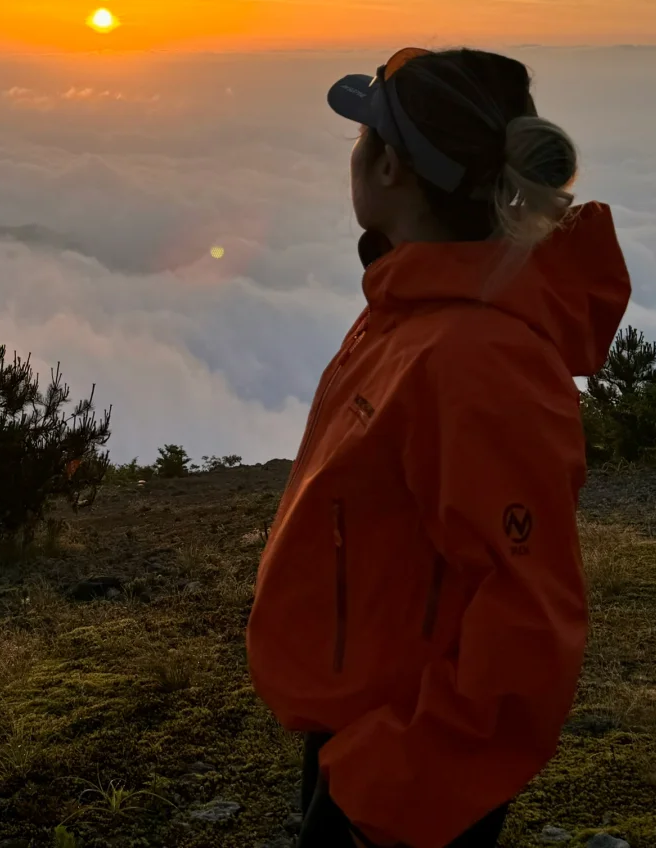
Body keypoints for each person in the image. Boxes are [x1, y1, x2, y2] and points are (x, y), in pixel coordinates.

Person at [245, 47, 631, 848]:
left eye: (362, 138)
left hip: (410, 768)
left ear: (392, 168)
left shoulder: (474, 358)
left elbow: (528, 625)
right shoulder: (411, 308)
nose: (352, 152)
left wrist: (390, 785)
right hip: (368, 738)